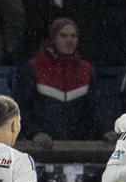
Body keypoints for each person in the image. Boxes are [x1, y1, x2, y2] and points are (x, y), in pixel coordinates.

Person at [14, 18, 110, 148]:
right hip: (42, 148)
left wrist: (106, 130)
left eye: (73, 36)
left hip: (79, 147)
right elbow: (20, 107)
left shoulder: (86, 70)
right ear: (53, 38)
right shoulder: (34, 67)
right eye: (63, 36)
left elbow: (97, 108)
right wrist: (35, 133)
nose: (69, 41)